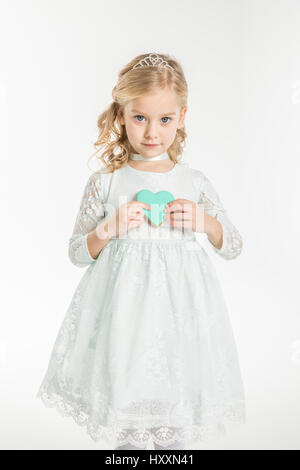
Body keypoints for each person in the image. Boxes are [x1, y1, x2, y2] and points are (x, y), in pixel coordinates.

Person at [36, 53, 246, 451]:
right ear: (120, 115)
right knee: (127, 410)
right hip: (124, 317)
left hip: (182, 317)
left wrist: (205, 221)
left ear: (182, 117)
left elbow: (233, 246)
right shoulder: (107, 182)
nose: (152, 132)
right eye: (140, 118)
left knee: (175, 410)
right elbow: (77, 253)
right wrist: (109, 228)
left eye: (165, 119)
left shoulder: (194, 182)